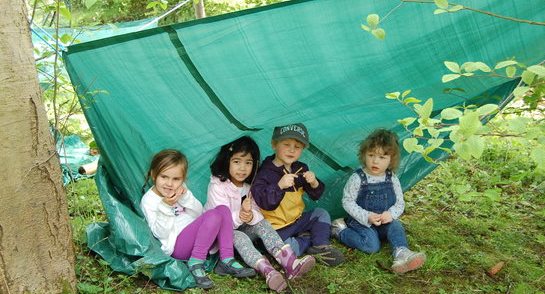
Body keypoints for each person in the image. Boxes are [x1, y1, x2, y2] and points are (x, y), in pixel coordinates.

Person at [204, 136, 316, 292]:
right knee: (239, 236)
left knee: (262, 223)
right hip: (221, 235)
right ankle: (267, 271)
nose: (242, 168)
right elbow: (220, 219)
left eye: (248, 163)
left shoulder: (251, 185)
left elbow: (257, 211)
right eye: (237, 162)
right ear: (226, 161)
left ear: (254, 164)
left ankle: (290, 263)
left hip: (242, 226)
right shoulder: (217, 186)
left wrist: (250, 216)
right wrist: (241, 216)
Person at [140, 149, 255, 289]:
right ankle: (195, 263)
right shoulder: (149, 200)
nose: (169, 184)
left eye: (176, 179)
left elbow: (198, 213)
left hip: (199, 239)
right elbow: (160, 233)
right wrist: (165, 206)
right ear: (154, 174)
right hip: (177, 246)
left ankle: (226, 259)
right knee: (213, 215)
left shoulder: (180, 190)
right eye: (164, 177)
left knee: (223, 210)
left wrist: (186, 196)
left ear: (183, 179)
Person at [331, 129, 426, 274]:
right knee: (372, 246)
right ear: (364, 155)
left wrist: (391, 214)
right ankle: (340, 230)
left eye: (382, 157)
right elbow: (348, 201)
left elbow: (400, 203)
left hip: (383, 221)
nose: (375, 161)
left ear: (391, 160)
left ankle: (401, 253)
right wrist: (366, 216)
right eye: (371, 155)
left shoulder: (392, 178)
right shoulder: (358, 178)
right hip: (361, 221)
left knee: (396, 227)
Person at [250, 123, 345, 266]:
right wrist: (279, 186)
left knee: (321, 213)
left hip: (298, 220)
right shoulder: (264, 173)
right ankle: (306, 240)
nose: (292, 150)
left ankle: (321, 246)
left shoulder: (300, 168)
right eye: (286, 144)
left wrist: (314, 183)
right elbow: (265, 203)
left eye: (298, 147)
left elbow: (316, 195)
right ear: (274, 144)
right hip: (276, 229)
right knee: (288, 250)